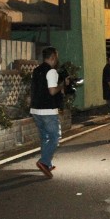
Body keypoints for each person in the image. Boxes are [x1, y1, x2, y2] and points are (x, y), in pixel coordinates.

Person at [30, 46, 69, 179]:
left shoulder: (36, 70)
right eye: (56, 56)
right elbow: (52, 91)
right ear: (52, 57)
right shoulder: (51, 71)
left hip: (35, 109)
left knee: (45, 137)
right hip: (48, 110)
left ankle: (48, 162)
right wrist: (62, 85)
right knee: (55, 137)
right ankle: (44, 162)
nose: (57, 59)